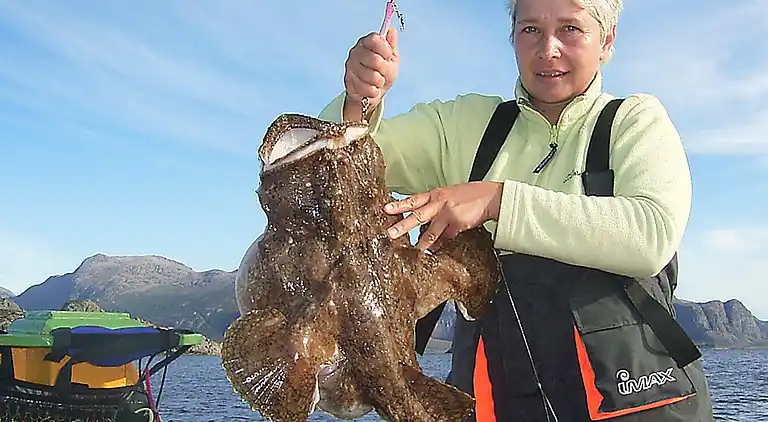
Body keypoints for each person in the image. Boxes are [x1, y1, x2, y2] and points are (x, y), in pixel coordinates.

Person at [318, 0, 714, 420]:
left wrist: (496, 201)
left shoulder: (634, 121)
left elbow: (650, 237)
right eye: (530, 30)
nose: (548, 49)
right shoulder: (464, 126)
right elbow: (332, 165)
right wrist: (358, 101)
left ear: (607, 40)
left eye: (570, 29)